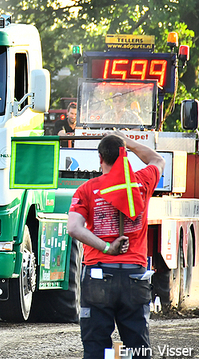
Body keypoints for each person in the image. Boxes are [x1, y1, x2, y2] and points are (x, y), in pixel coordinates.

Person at [67, 131, 165, 359]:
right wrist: (127, 143)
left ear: (100, 158)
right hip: (135, 277)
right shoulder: (142, 183)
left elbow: (74, 228)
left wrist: (106, 248)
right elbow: (157, 160)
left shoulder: (87, 189)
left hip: (98, 275)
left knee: (96, 349)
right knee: (138, 349)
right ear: (124, 155)